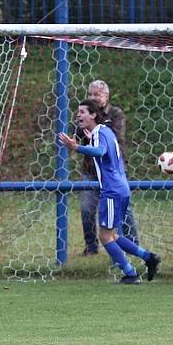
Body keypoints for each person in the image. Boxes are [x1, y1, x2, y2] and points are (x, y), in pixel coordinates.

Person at [59, 100, 160, 284]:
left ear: (93, 115)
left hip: (112, 190)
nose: (78, 115)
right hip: (121, 187)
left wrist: (76, 147)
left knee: (105, 236)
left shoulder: (99, 133)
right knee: (113, 235)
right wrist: (89, 142)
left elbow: (100, 151)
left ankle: (130, 274)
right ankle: (148, 258)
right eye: (78, 112)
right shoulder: (105, 131)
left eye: (82, 112)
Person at [76, 80, 139, 255]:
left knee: (124, 210)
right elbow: (79, 132)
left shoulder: (115, 113)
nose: (93, 98)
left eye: (97, 94)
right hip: (90, 170)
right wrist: (88, 119)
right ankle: (91, 247)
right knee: (87, 210)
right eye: (90, 94)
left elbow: (115, 136)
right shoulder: (85, 113)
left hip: (112, 171)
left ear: (106, 96)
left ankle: (132, 243)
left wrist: (95, 120)